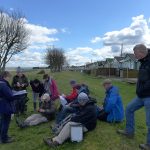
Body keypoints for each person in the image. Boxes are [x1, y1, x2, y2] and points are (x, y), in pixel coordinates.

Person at [117, 44, 150, 150]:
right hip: (141, 96)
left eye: (135, 53)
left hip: (149, 96)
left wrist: (144, 87)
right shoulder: (143, 62)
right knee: (129, 109)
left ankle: (148, 144)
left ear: (141, 52)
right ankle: (129, 132)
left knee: (149, 121)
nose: (135, 56)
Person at [0, 71, 15, 144]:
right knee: (5, 123)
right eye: (9, 77)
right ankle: (4, 139)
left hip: (1, 105)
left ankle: (3, 136)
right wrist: (15, 95)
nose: (9, 78)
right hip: (5, 106)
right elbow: (10, 96)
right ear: (5, 76)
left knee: (2, 121)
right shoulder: (3, 85)